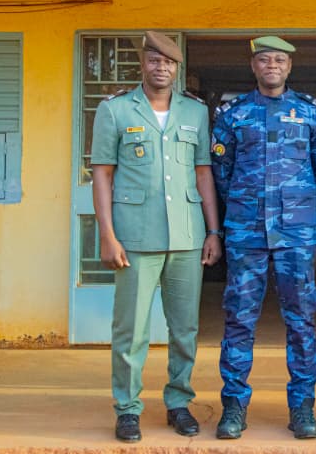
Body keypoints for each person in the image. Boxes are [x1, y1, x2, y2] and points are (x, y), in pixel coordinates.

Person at [90, 31, 223, 443]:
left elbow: (204, 173)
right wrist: (107, 235)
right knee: (131, 330)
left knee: (185, 329)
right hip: (134, 237)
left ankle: (178, 402)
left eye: (167, 62)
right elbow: (102, 174)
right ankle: (128, 408)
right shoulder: (114, 110)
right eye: (153, 60)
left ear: (177, 68)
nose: (160, 67)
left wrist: (213, 230)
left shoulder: (195, 112)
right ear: (143, 65)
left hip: (186, 234)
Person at [211, 36, 316, 440]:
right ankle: (233, 406)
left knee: (301, 320)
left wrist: (296, 209)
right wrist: (246, 207)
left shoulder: (311, 113)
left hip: (296, 233)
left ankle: (302, 407)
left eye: (280, 59)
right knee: (239, 318)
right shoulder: (233, 114)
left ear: (290, 66)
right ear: (253, 66)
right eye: (265, 59)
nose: (272, 65)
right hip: (246, 232)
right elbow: (221, 172)